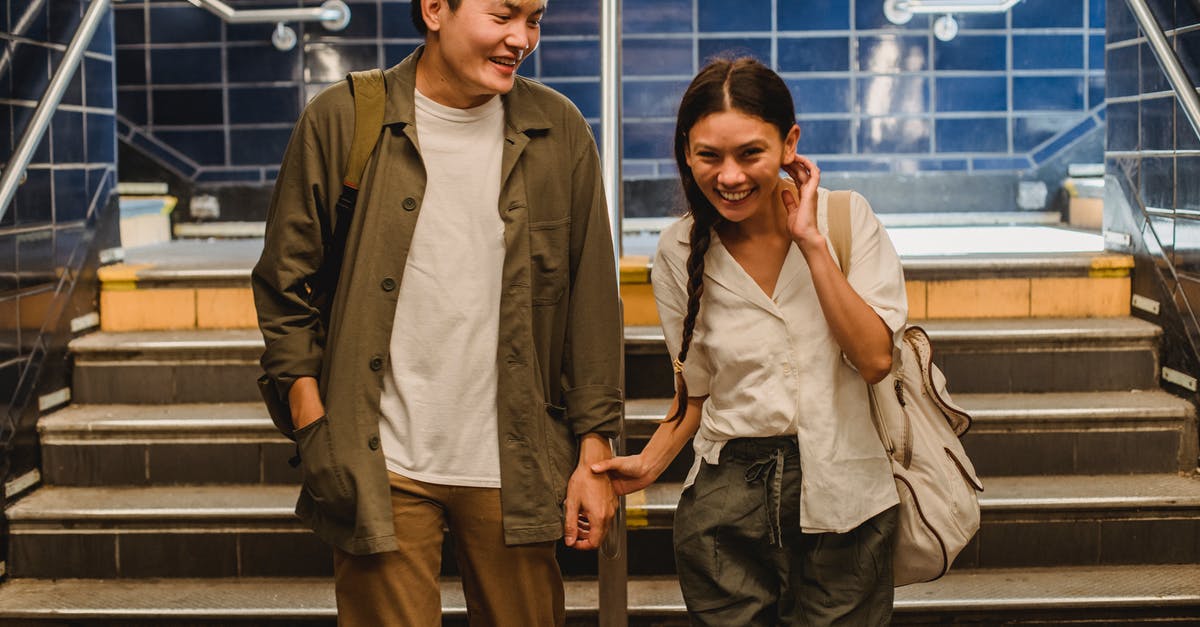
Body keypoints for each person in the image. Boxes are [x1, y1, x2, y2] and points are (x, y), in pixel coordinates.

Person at [251, 0, 623, 624]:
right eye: (503, 15)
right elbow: (285, 287)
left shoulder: (559, 130)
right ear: (433, 10)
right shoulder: (343, 119)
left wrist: (594, 453)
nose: (521, 39)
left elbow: (591, 308)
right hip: (381, 461)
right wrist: (315, 425)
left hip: (518, 459)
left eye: (534, 19)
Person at [591, 57, 906, 626]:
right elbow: (698, 393)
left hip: (847, 496)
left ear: (789, 144)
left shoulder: (845, 220)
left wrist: (810, 242)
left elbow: (876, 359)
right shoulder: (678, 250)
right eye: (709, 155)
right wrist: (649, 462)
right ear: (687, 152)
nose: (729, 176)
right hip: (727, 501)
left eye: (749, 154)